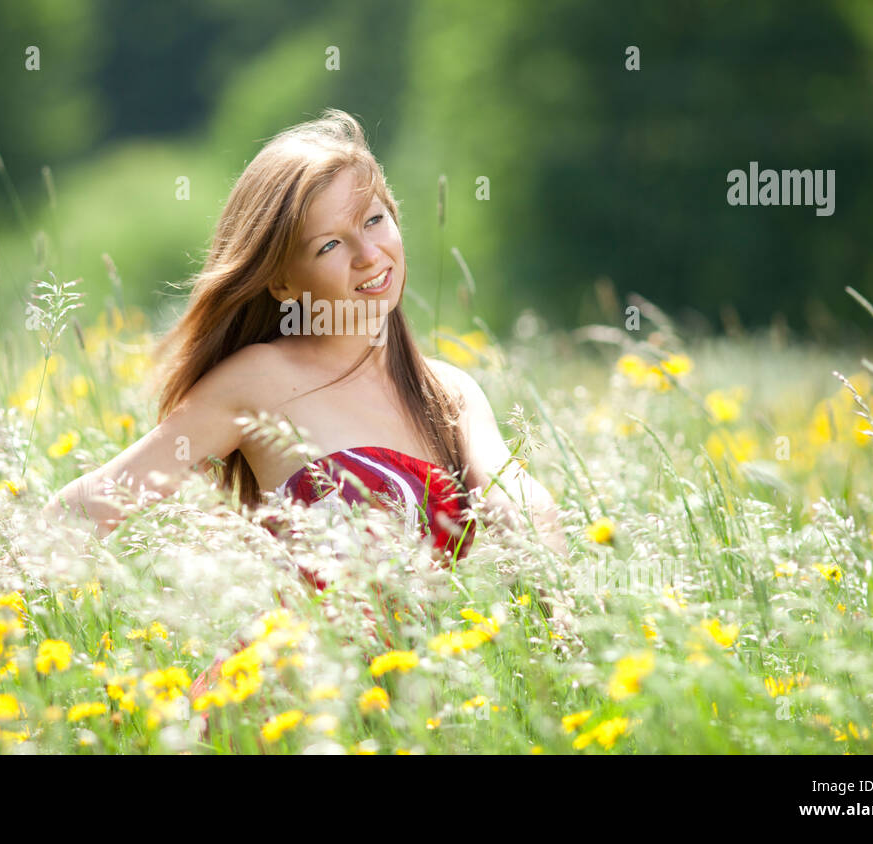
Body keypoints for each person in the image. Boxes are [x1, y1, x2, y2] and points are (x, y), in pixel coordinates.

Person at [39, 108, 564, 727]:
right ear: (284, 284)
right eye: (331, 244)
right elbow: (93, 503)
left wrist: (558, 617)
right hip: (280, 710)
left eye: (375, 220)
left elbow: (518, 497)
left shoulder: (449, 391)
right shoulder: (260, 380)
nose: (370, 254)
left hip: (405, 714)